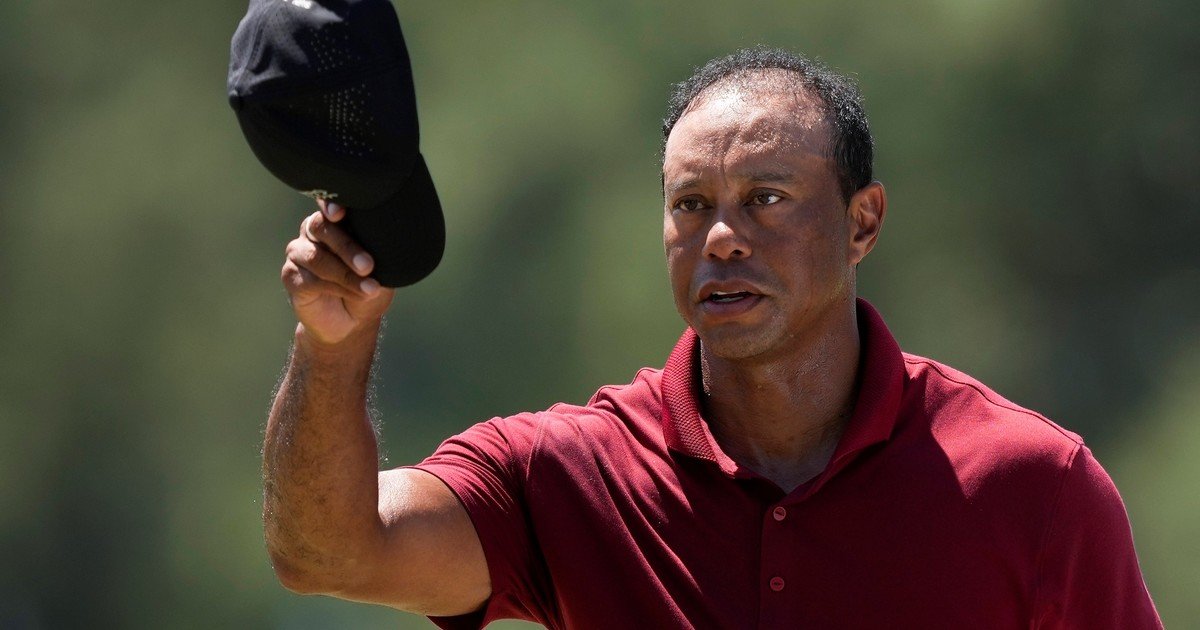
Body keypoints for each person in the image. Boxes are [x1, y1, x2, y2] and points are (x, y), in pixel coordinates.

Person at [263, 48, 1162, 628]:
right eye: (692, 205)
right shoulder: (567, 474)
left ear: (862, 223)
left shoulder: (1035, 486)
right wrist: (333, 348)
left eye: (767, 199)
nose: (723, 236)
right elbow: (326, 553)